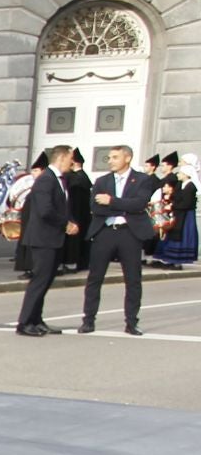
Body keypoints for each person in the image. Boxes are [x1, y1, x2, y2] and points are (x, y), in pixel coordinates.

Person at [80, 144, 154, 336]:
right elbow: (95, 207)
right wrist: (126, 207)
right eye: (109, 157)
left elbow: (140, 203)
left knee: (133, 280)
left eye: (115, 157)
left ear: (127, 158)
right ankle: (88, 320)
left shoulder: (142, 180)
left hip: (129, 233)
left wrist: (112, 201)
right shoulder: (101, 181)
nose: (110, 161)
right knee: (95, 278)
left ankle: (131, 322)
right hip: (105, 232)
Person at [16, 146, 77, 336]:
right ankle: (24, 322)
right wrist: (65, 224)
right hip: (43, 239)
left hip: (53, 238)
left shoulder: (59, 180)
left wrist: (71, 221)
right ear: (61, 158)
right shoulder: (46, 180)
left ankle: (36, 319)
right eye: (70, 158)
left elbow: (61, 206)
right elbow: (45, 210)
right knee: (39, 281)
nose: (72, 162)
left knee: (46, 280)